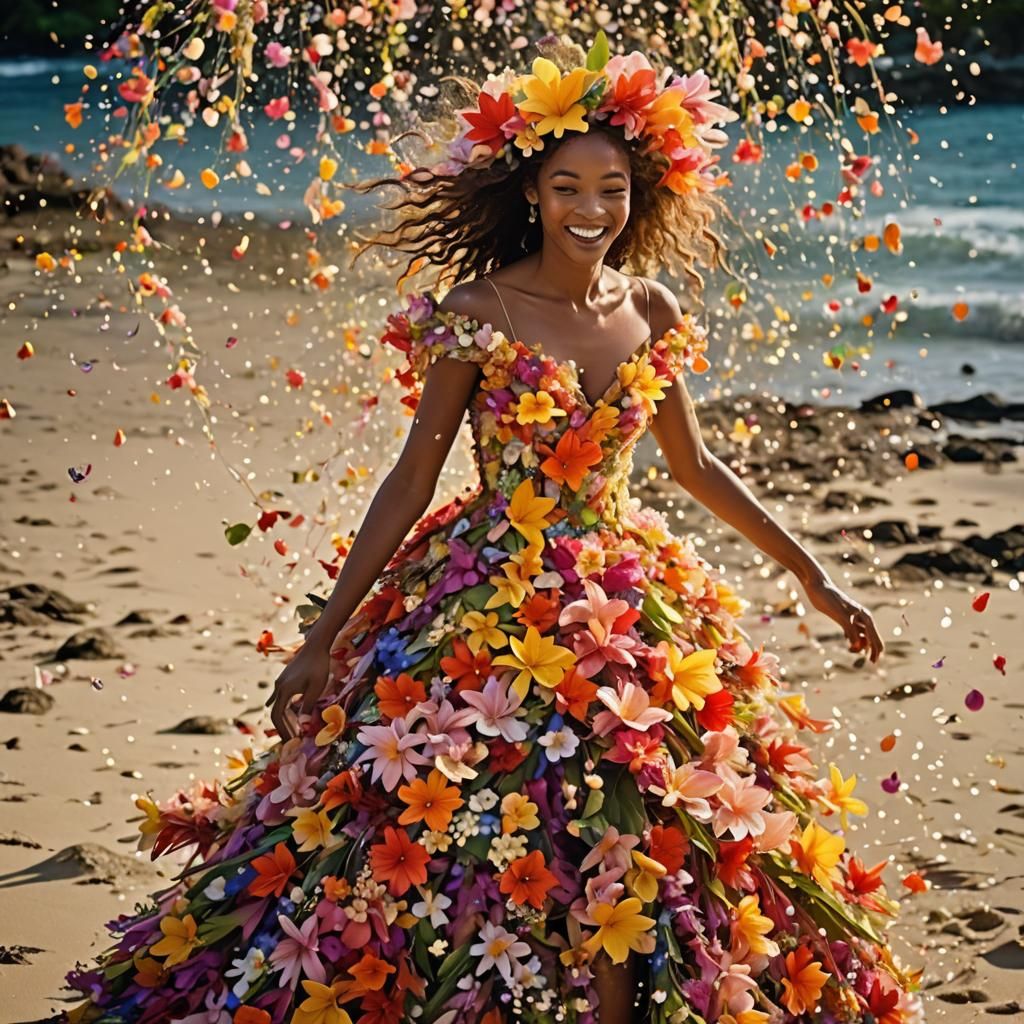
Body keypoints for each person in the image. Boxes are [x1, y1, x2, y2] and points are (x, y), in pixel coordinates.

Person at [66, 37, 921, 1024]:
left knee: (647, 806)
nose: (590, 210)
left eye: (612, 188)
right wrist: (321, 636)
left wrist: (813, 576)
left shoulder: (652, 307)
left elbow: (694, 469)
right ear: (530, 191)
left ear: (642, 193)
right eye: (567, 186)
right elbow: (411, 478)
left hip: (627, 599)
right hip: (483, 594)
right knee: (469, 817)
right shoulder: (476, 312)